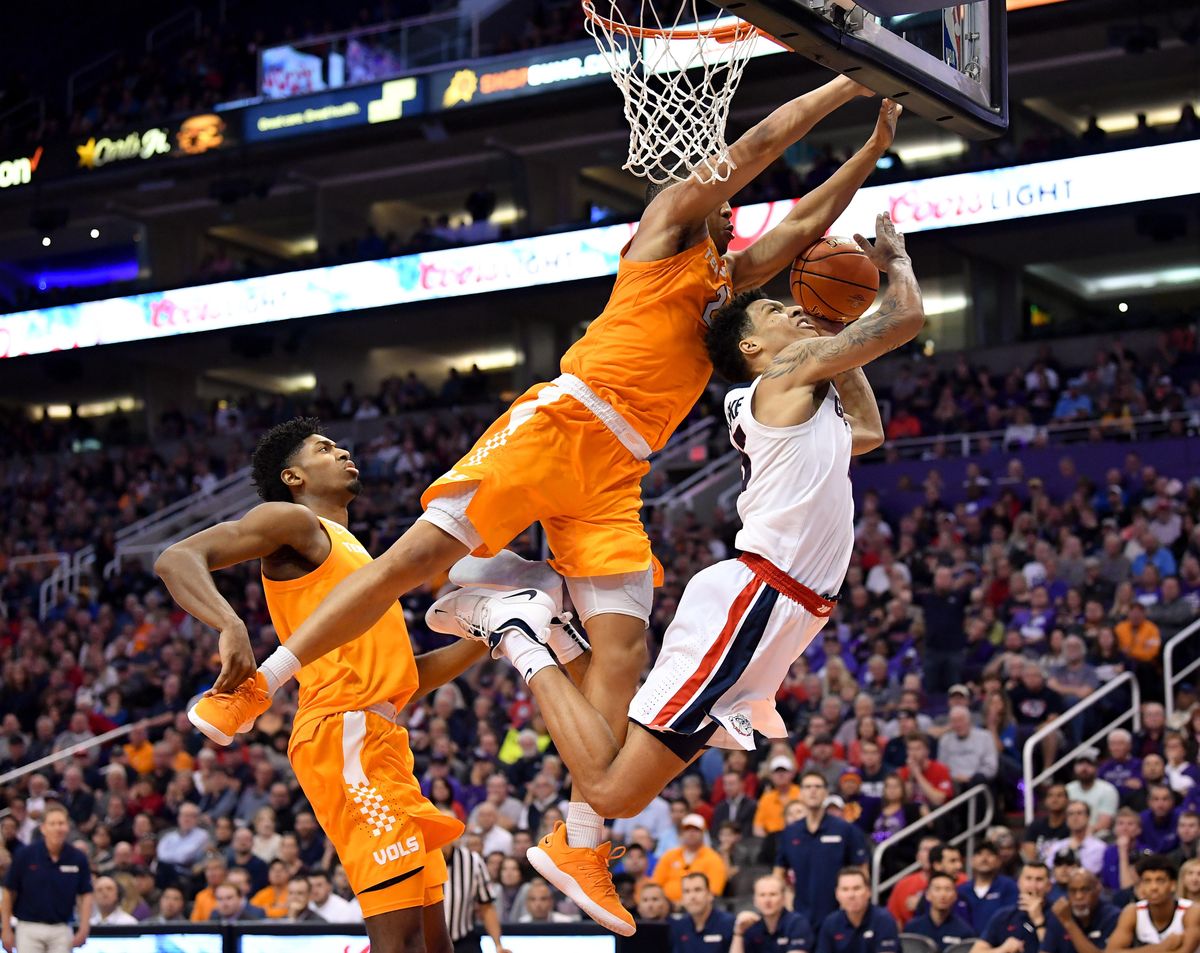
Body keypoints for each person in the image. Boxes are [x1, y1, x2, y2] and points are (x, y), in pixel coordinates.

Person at [192, 81, 900, 938]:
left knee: (623, 646)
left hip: (617, 472)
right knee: (406, 565)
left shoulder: (725, 284)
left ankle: (582, 836)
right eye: (732, 198)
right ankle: (259, 688)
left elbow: (802, 237)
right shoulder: (668, 225)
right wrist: (844, 83)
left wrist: (871, 149)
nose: (743, 210)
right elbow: (756, 148)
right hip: (560, 424)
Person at [433, 209, 918, 935]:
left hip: (779, 613)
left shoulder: (803, 389)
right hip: (755, 601)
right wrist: (893, 265)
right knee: (614, 787)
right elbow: (903, 316)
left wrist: (835, 342)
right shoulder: (780, 380)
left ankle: (576, 831)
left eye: (796, 303)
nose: (795, 309)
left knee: (618, 779)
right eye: (779, 308)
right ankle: (519, 632)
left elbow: (871, 433)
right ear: (754, 346)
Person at [156, 421, 477, 953]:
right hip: (342, 733)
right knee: (397, 943)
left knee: (433, 943)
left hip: (383, 737)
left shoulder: (364, 559)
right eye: (324, 450)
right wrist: (230, 624)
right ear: (293, 476)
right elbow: (176, 558)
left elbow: (404, 677)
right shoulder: (293, 520)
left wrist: (492, 638)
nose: (344, 451)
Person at [774, 771, 869, 928]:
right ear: (800, 793)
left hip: (840, 914)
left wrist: (854, 905)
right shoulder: (790, 832)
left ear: (826, 793)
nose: (813, 790)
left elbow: (862, 871)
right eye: (808, 787)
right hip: (800, 914)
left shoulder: (845, 830)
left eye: (818, 787)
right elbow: (778, 872)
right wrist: (787, 900)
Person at [2, 803, 92, 953]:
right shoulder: (25, 855)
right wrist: (6, 929)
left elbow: (86, 893)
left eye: (61, 823)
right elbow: (8, 891)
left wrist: (84, 927)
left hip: (61, 927)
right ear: (43, 828)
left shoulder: (78, 858)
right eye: (52, 824)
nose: (58, 828)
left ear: (67, 827)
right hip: (28, 927)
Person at [1105, 855, 1200, 953]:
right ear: (1140, 886)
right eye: (1147, 881)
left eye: (1160, 881)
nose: (1153, 887)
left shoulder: (1191, 911)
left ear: (1173, 885)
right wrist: (1162, 947)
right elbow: (1111, 951)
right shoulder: (1132, 911)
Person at [441, 836, 511, 953]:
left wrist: (498, 944)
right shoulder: (419, 859)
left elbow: (486, 906)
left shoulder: (473, 861)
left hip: (462, 939)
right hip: (426, 942)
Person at [972, 862, 1053, 953]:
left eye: (1039, 880)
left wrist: (1038, 920)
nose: (1033, 886)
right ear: (1019, 883)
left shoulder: (1058, 916)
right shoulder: (1003, 916)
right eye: (1028, 878)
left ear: (1049, 886)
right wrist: (1002, 950)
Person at [815, 868, 899, 953]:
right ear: (837, 894)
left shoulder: (884, 920)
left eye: (856, 888)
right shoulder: (830, 923)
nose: (851, 895)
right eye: (845, 889)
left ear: (868, 891)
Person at [654, 814, 728, 905]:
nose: (691, 833)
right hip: (666, 908)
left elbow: (714, 892)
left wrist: (684, 904)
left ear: (703, 833)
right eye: (687, 829)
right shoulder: (669, 855)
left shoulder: (714, 858)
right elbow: (656, 885)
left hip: (698, 908)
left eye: (696, 830)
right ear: (681, 833)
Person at [732, 874, 814, 953]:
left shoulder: (797, 924)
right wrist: (738, 933)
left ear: (783, 898)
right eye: (762, 895)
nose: (767, 900)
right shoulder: (751, 925)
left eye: (773, 894)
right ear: (755, 900)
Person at [1042, 870, 1119, 953]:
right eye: (1073, 890)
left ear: (1098, 890)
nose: (1079, 896)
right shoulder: (1059, 914)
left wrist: (1068, 922)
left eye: (1085, 890)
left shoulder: (1113, 917)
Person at [960, 841, 1019, 934]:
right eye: (979, 854)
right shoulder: (961, 890)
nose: (984, 858)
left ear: (999, 861)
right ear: (971, 861)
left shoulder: (1009, 886)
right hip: (966, 944)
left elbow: (1011, 918)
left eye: (990, 854)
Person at [909, 872, 976, 952]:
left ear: (955, 896)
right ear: (927, 895)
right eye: (937, 889)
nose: (943, 894)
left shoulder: (965, 932)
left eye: (948, 889)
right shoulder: (912, 928)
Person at [671, 873, 735, 953]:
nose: (692, 896)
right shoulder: (678, 926)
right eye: (686, 891)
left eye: (698, 890)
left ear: (710, 895)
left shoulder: (729, 923)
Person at [1066, 751, 1119, 835]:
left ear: (1096, 768)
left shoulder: (1108, 790)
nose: (1084, 768)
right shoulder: (1068, 789)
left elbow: (1104, 823)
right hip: (1071, 836)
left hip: (1099, 837)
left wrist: (1082, 837)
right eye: (1080, 764)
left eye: (1089, 764)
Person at [1046, 803, 1107, 876]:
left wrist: (1074, 852)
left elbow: (1089, 875)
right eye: (1071, 814)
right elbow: (1048, 871)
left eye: (1079, 813)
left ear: (1088, 817)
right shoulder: (1057, 846)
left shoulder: (1099, 848)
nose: (1075, 817)